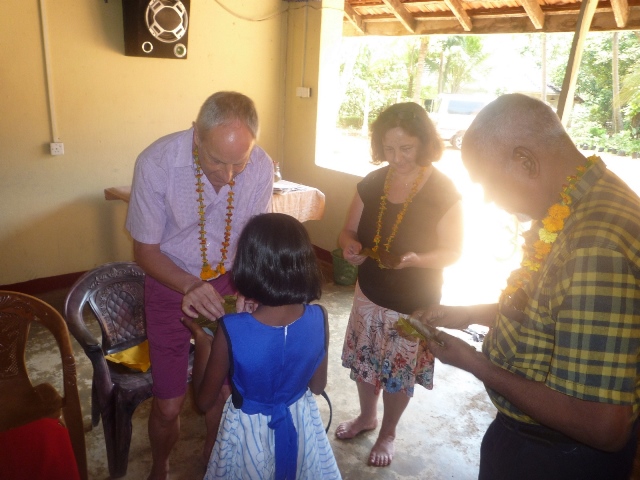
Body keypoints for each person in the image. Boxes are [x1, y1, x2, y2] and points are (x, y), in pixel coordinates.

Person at [416, 93, 640, 480]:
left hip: (559, 457)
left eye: (487, 182)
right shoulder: (572, 206)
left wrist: (475, 363)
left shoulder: (594, 247)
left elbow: (602, 426)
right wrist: (467, 314)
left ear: (525, 161)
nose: (488, 199)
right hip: (534, 441)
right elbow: (550, 309)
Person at [125, 91, 274, 479]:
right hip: (170, 282)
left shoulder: (261, 165)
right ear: (196, 134)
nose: (228, 175)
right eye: (216, 161)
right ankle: (160, 466)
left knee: (224, 389)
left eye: (239, 162)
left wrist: (249, 288)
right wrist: (190, 285)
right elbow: (145, 251)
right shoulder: (157, 163)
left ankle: (214, 456)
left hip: (230, 281)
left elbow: (253, 240)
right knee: (168, 404)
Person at [335, 102, 464, 467]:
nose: (396, 158)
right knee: (365, 362)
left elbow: (454, 251)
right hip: (369, 293)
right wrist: (350, 247)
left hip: (414, 300)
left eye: (405, 148)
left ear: (423, 143)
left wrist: (416, 260)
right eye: (388, 148)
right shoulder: (373, 182)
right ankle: (367, 417)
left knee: (398, 371)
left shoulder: (443, 191)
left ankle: (388, 432)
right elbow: (348, 230)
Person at [182, 213, 342, 480]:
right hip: (299, 423)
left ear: (248, 266)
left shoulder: (231, 329)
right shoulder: (319, 317)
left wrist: (202, 343)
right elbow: (317, 387)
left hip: (248, 433)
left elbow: (204, 401)